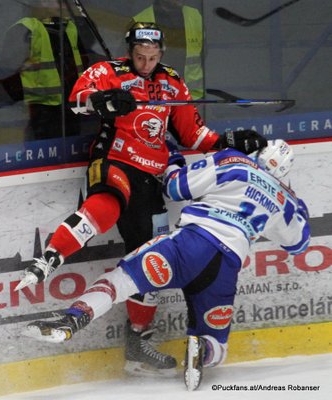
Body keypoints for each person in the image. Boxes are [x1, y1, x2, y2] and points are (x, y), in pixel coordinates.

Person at [16, 21, 267, 377]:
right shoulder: (110, 71)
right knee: (108, 202)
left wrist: (228, 141)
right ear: (130, 51)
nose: (145, 63)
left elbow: (193, 133)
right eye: (139, 56)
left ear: (160, 53)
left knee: (149, 262)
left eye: (152, 57)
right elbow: (77, 100)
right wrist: (102, 100)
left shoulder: (171, 81)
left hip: (152, 179)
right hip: (115, 161)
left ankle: (136, 344)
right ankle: (50, 258)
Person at [19, 139, 310, 391]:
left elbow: (175, 187)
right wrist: (296, 202)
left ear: (258, 154)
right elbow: (298, 244)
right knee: (219, 346)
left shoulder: (234, 161)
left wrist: (171, 156)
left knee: (120, 281)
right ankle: (203, 350)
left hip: (190, 245)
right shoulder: (285, 199)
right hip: (226, 267)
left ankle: (74, 317)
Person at [0, 1, 99, 140]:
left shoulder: (71, 28)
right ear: (42, 2)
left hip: (74, 112)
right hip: (40, 114)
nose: (64, 4)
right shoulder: (25, 30)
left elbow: (82, 63)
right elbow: (8, 78)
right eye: (57, 1)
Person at [131, 0, 204, 99]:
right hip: (154, 103)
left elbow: (204, 54)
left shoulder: (195, 16)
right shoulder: (139, 22)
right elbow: (127, 66)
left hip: (194, 100)